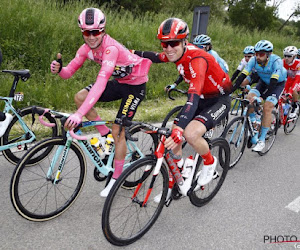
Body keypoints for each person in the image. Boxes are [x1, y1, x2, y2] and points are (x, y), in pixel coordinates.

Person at [50, 8, 152, 197]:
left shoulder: (110, 49)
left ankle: (116, 178)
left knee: (118, 129)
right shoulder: (85, 49)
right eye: (86, 32)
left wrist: (79, 114)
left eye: (95, 32)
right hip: (121, 83)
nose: (91, 37)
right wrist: (59, 69)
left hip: (136, 86)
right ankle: (106, 138)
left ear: (103, 30)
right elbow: (68, 73)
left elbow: (100, 83)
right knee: (80, 97)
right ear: (82, 31)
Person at [132, 18, 232, 190]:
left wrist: (180, 129)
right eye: (165, 44)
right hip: (202, 98)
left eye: (174, 43)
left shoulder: (197, 59)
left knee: (190, 134)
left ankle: (209, 162)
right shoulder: (177, 52)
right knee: (174, 136)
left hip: (218, 100)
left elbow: (193, 95)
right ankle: (179, 175)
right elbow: (156, 57)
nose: (169, 49)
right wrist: (130, 52)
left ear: (184, 41)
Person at [233, 40, 287, 152]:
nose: (257, 56)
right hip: (263, 82)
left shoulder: (276, 61)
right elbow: (243, 75)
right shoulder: (253, 60)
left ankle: (261, 141)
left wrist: (262, 97)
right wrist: (230, 89)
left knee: (267, 106)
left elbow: (273, 82)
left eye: (261, 54)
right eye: (256, 53)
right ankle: (255, 121)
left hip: (277, 84)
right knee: (249, 98)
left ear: (268, 54)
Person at [282, 46, 300, 118]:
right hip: (290, 79)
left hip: (298, 79)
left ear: (294, 56)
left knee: (293, 91)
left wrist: (290, 91)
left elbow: (297, 79)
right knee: (283, 93)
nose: (286, 58)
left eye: (289, 56)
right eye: (285, 56)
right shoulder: (282, 62)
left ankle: (295, 105)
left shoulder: (298, 63)